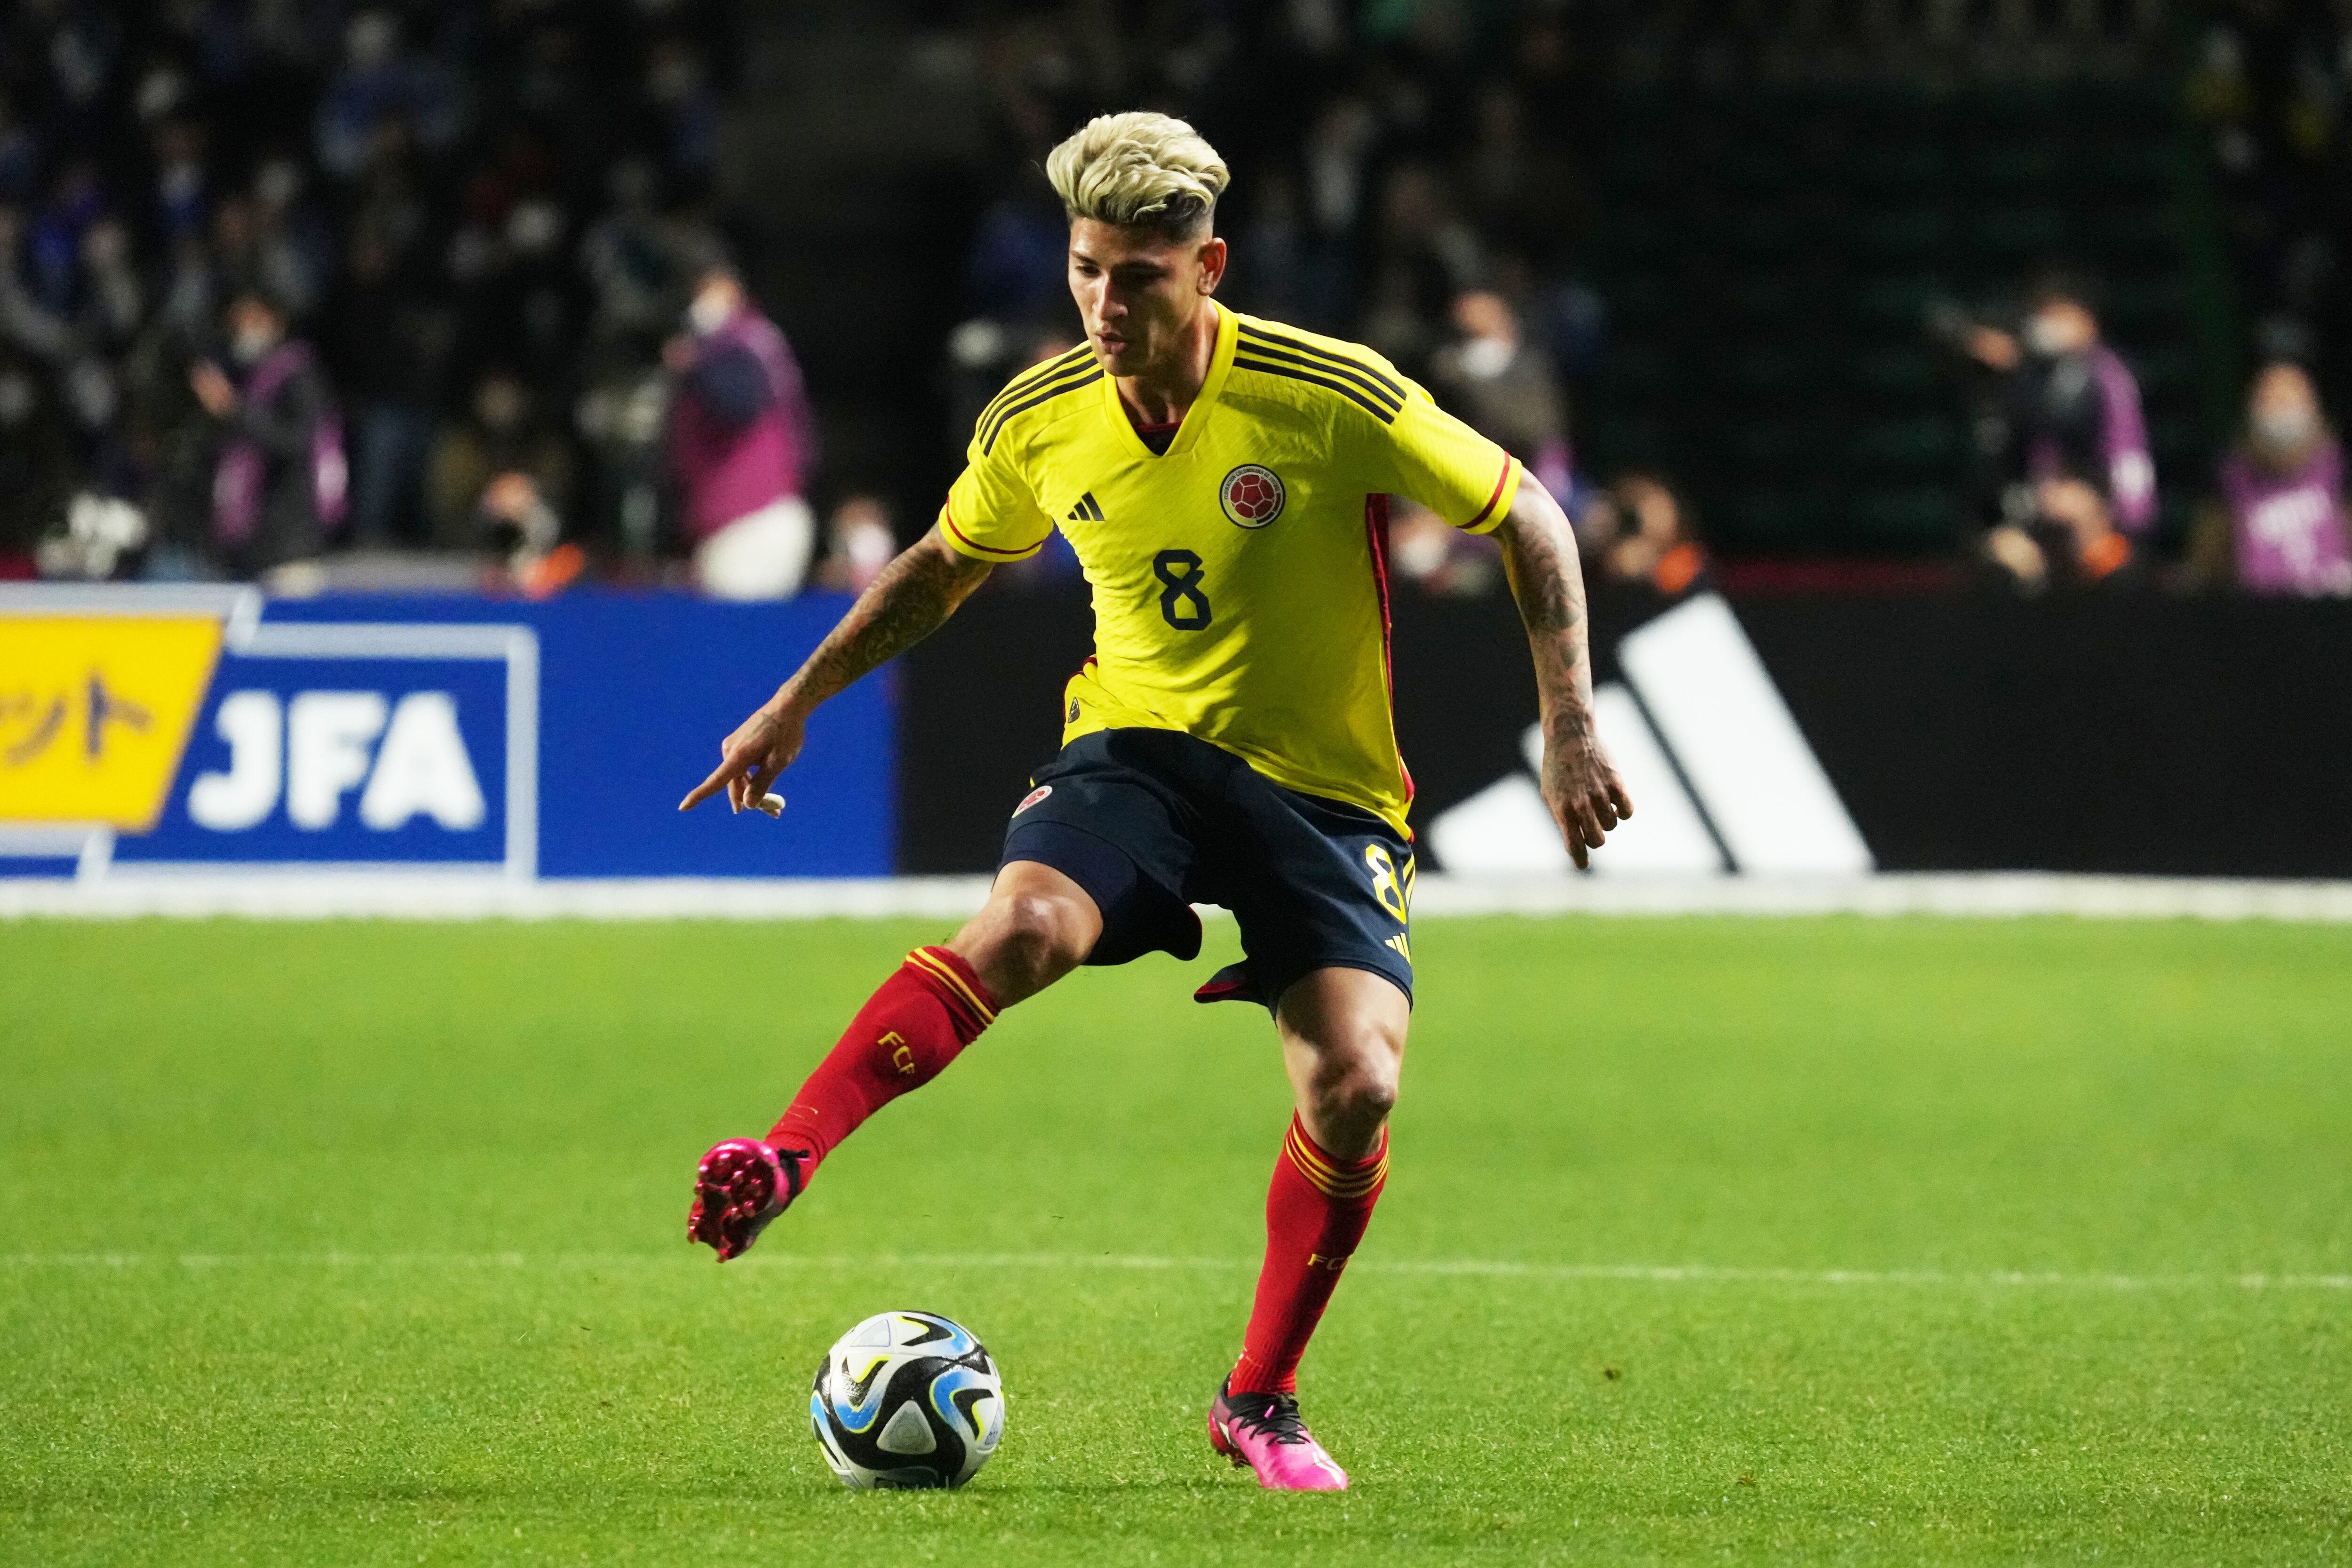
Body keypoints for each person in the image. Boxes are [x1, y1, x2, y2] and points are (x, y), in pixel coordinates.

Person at [677, 113, 1629, 1491]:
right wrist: (795, 698)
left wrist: (1570, 724)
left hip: (1325, 791)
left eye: (1137, 277)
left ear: (1209, 267)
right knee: (1020, 931)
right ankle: (784, 1154)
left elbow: (1527, 514)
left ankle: (1258, 1396)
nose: (1104, 305)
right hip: (1136, 751)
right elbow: (942, 567)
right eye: (1084, 271)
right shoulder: (1040, 416)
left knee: (1356, 1082)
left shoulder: (1324, 393)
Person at [1963, 275, 2155, 590]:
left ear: (2086, 319)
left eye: (2058, 316)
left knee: (2111, 569)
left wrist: (2121, 523)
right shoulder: (2036, 375)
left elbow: (2128, 458)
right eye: (2043, 317)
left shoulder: (2108, 376)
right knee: (2005, 564)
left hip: (2104, 523)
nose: (2047, 327)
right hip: (2040, 512)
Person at [664, 261, 819, 599]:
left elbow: (740, 405)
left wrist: (695, 364)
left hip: (752, 522)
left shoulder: (739, 341)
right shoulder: (751, 340)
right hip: (756, 515)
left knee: (735, 641)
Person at [191, 293, 345, 574]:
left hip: (290, 544)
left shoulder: (299, 374)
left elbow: (300, 442)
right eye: (237, 323)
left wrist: (233, 409)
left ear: (276, 321)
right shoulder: (244, 373)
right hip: (250, 545)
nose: (244, 330)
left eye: (253, 319)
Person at [2203, 362, 2352, 596]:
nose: (2282, 410)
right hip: (2261, 618)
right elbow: (2207, 563)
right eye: (2272, 401)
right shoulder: (2229, 478)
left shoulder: (2339, 470)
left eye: (2291, 401)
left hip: (2334, 613)